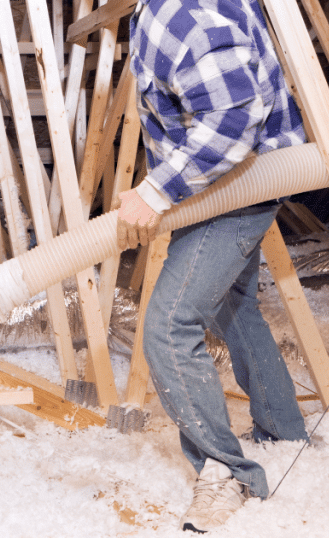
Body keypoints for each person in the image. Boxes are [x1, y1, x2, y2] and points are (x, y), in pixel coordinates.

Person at [117, 0, 310, 532]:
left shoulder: (178, 13)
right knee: (237, 309)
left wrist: (157, 189)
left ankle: (226, 472)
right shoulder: (160, 11)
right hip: (223, 187)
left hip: (235, 191)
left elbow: (234, 116)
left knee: (168, 327)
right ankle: (285, 431)